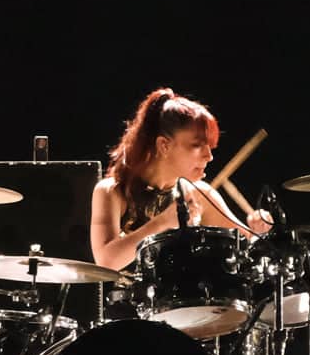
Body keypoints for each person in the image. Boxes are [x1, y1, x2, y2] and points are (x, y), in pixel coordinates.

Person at [89, 86, 274, 271]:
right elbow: (106, 261)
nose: (209, 156)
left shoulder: (200, 194)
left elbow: (251, 248)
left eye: (209, 147)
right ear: (164, 145)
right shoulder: (112, 191)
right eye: (197, 145)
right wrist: (163, 222)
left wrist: (259, 232)